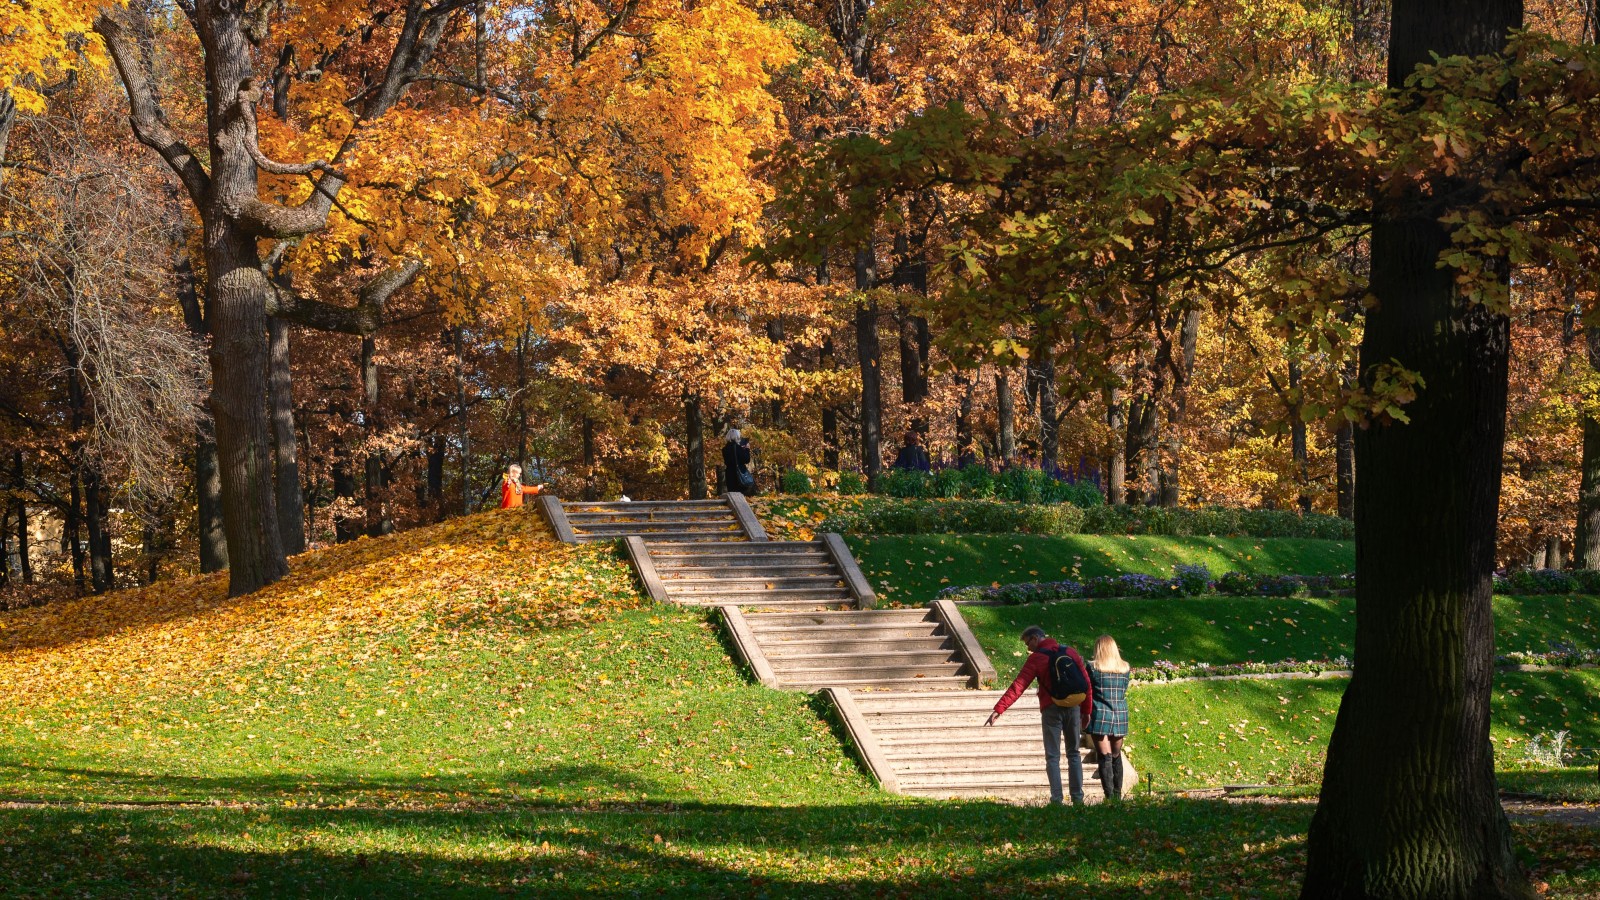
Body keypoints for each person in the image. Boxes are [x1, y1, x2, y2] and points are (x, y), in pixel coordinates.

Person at [985, 625, 1093, 806]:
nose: (1028, 648)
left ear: (1035, 638)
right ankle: (1078, 799)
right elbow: (1086, 683)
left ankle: (1057, 799)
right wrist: (1086, 710)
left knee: (1052, 756)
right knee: (1073, 753)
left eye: (1028, 643)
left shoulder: (1036, 659)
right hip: (1074, 706)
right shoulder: (1070, 652)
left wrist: (999, 709)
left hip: (1051, 709)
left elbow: (1018, 686)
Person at [1087, 633, 1132, 801]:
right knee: (1115, 754)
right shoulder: (1125, 667)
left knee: (1104, 756)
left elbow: (1087, 689)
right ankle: (1118, 796)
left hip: (1100, 713)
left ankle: (1109, 796)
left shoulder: (1092, 667)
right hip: (1120, 713)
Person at [722, 428, 755, 495]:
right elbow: (746, 459)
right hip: (738, 473)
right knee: (740, 494)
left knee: (732, 493)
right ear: (737, 436)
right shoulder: (738, 448)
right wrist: (747, 449)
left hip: (729, 473)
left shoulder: (724, 449)